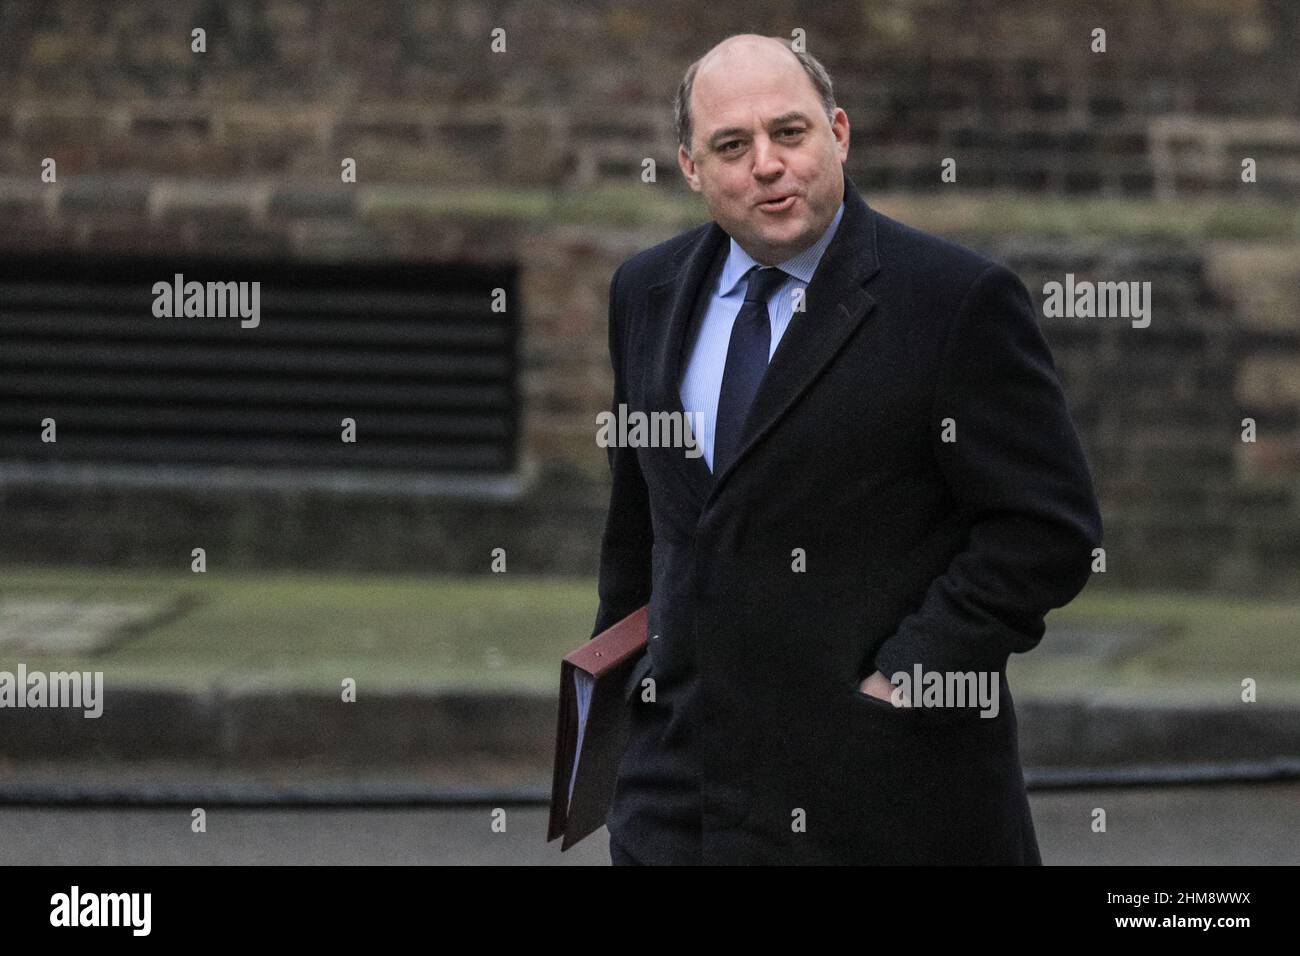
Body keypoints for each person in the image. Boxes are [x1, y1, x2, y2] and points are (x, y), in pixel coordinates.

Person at [592, 33, 1102, 865]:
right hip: (679, 804)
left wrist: (906, 678)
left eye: (789, 133)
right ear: (690, 168)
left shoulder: (954, 301)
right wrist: (622, 713)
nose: (767, 164)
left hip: (886, 806)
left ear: (838, 133)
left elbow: (1047, 531)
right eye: (733, 145)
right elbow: (639, 529)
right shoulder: (643, 293)